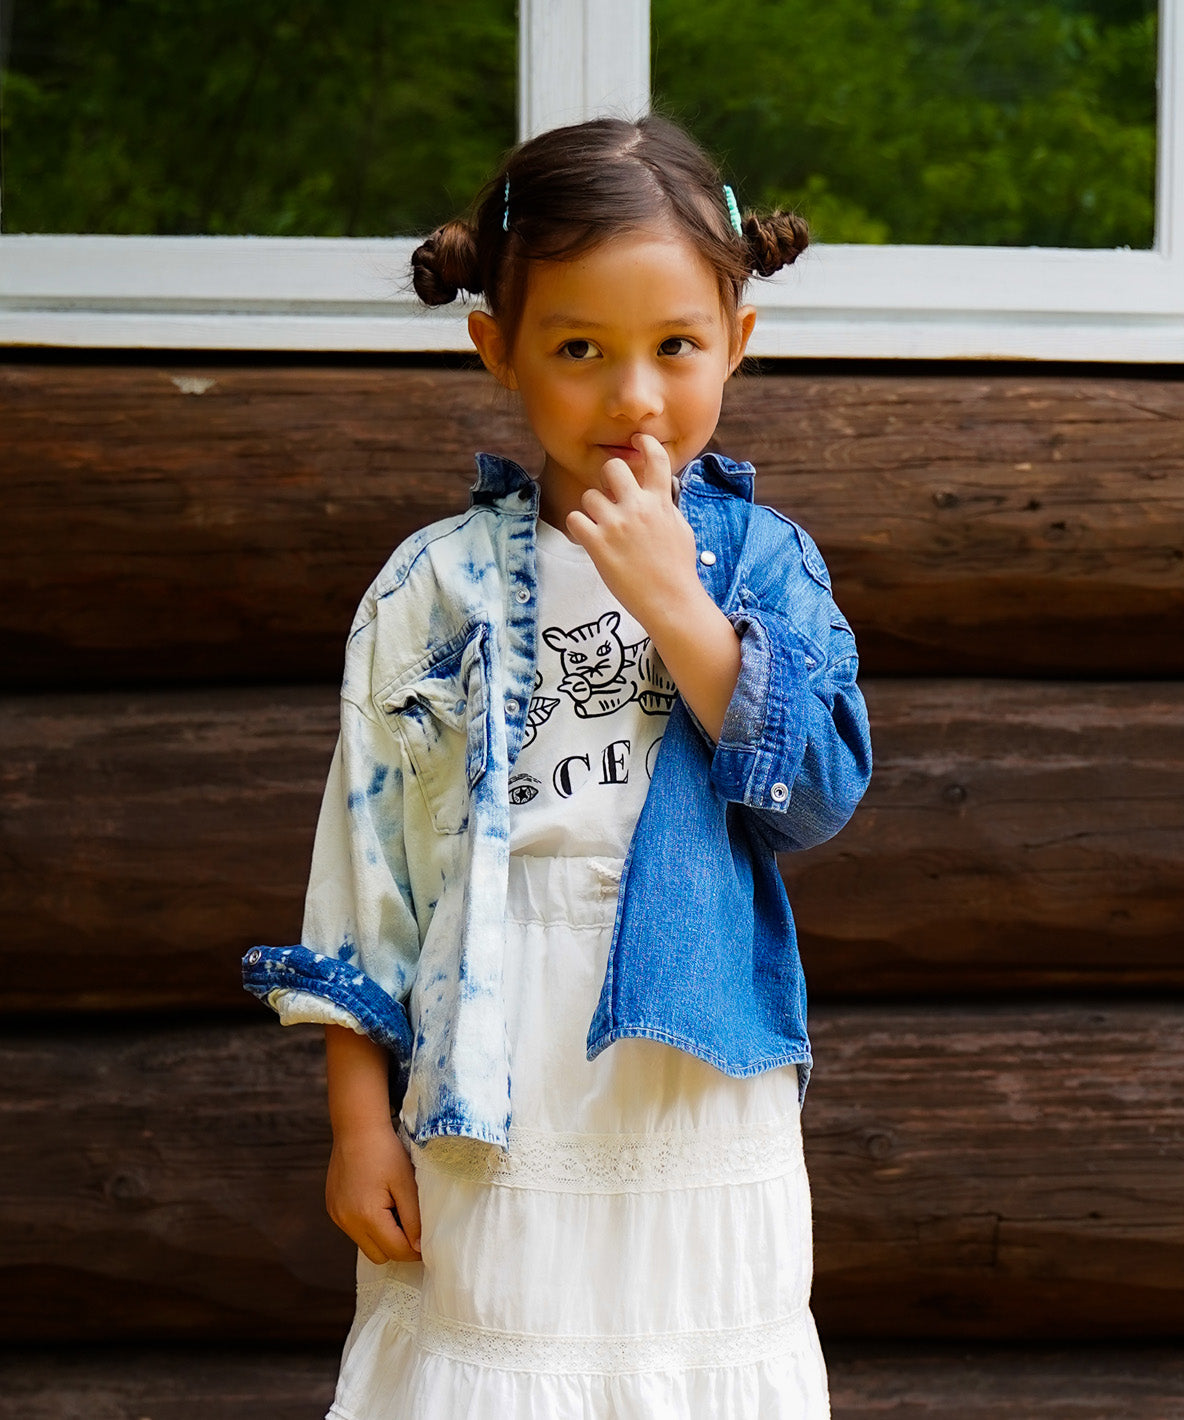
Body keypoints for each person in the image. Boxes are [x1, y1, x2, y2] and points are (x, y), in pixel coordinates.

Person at [244, 113, 872, 1419]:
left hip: (692, 1089)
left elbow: (818, 787)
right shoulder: (435, 590)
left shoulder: (759, 568)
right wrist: (357, 1120)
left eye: (675, 348)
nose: (633, 395)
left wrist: (684, 614)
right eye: (580, 349)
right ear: (500, 348)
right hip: (494, 1082)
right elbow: (372, 876)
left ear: (737, 345)